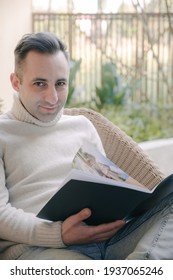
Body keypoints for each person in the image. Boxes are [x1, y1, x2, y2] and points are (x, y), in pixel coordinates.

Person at [0, 32, 173, 260]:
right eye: (39, 83)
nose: (52, 97)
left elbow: (104, 185)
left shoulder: (83, 125)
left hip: (108, 237)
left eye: (60, 84)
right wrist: (59, 234)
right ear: (16, 82)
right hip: (41, 250)